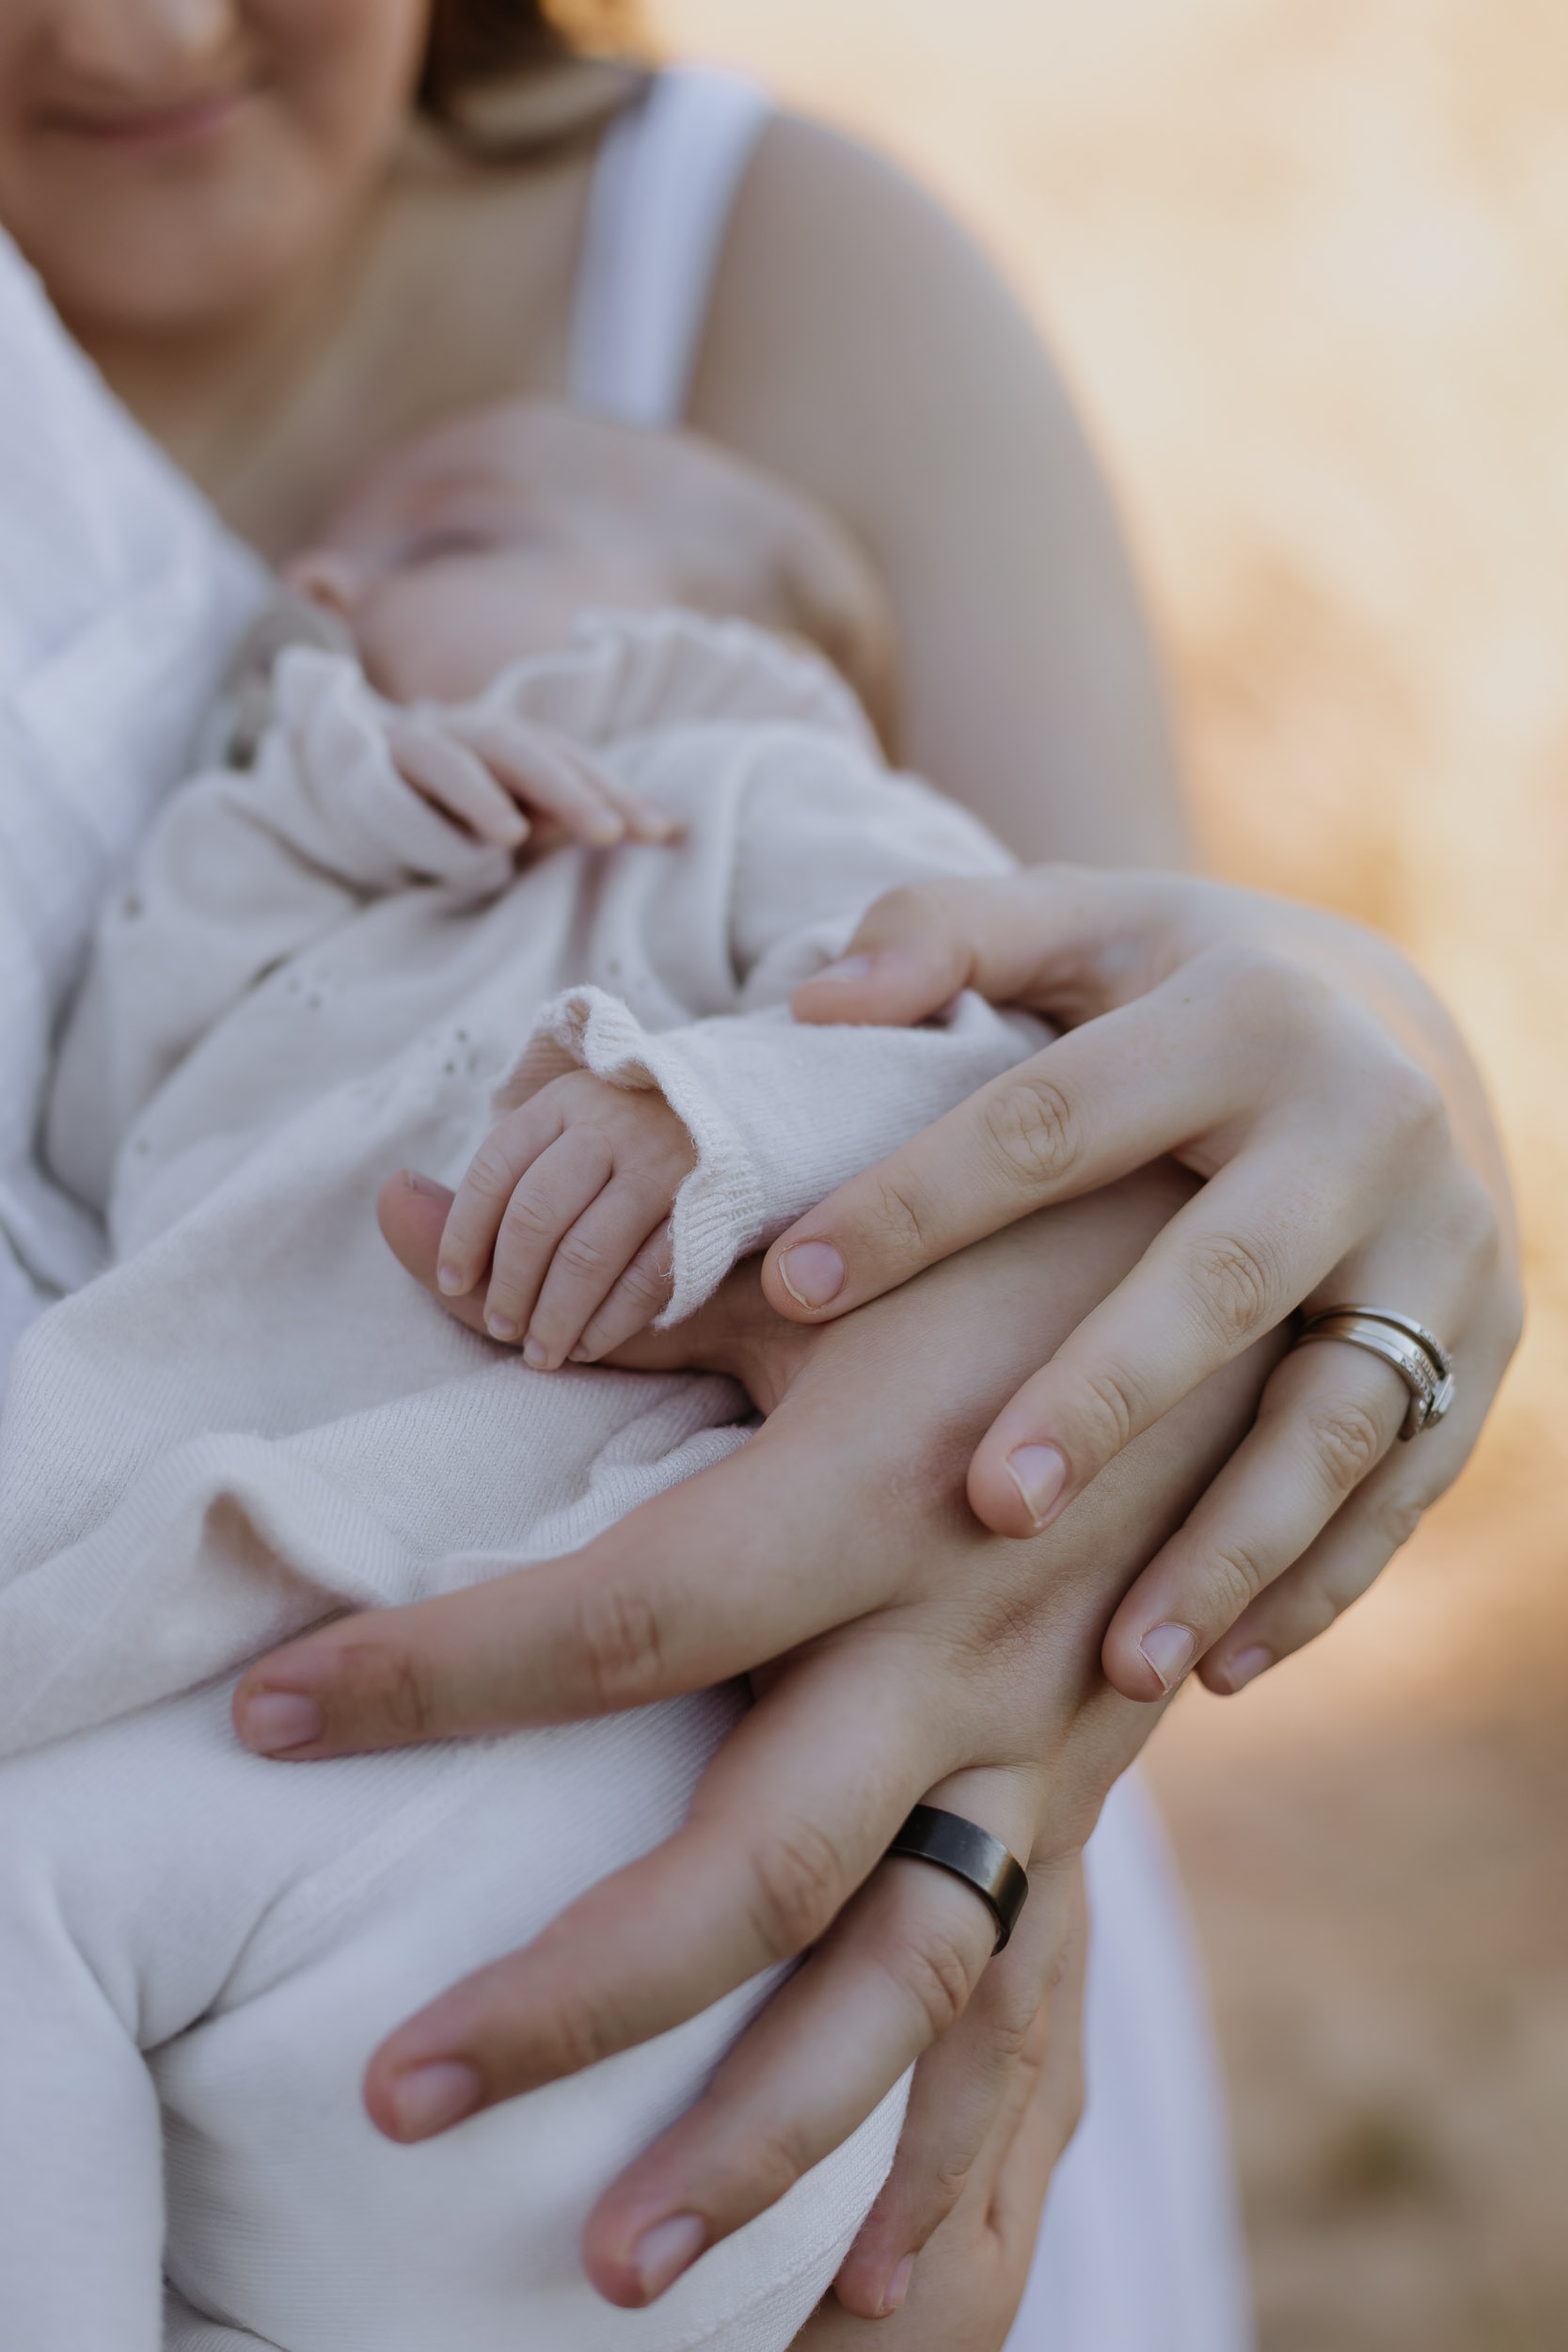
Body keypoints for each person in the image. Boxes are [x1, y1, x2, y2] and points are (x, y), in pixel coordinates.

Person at [0, 8, 1520, 2346]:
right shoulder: (299, 792)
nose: (137, 33)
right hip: (241, 1808)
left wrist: (1371, 1084)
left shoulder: (768, 334)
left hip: (824, 1839)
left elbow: (1056, 1024)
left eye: (459, 535)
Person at [2, 395, 1065, 2352]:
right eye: (329, 565)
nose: (323, 584)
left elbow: (996, 1071)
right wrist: (295, 818)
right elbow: (101, 1139)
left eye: (448, 543)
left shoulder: (747, 779)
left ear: (730, 625)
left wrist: (719, 1111)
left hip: (605, 1751)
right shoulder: (305, 879)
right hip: (325, 1794)